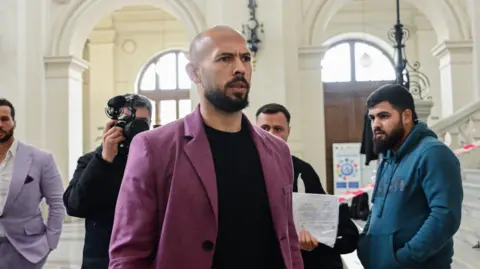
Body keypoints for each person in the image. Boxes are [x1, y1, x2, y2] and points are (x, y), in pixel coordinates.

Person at [108, 26, 303, 269]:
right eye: (225, 58)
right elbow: (129, 253)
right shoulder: (155, 147)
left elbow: (288, 239)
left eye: (245, 58)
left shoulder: (277, 151)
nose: (240, 68)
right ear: (194, 72)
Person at [357, 84, 463, 269]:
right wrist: (365, 245)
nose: (376, 125)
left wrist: (404, 259)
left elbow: (445, 216)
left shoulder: (433, 153)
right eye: (372, 118)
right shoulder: (387, 159)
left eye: (384, 116)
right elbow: (376, 208)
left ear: (406, 116)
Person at [255, 103, 359, 269]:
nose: (271, 134)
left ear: (288, 131)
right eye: (265, 128)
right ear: (255, 131)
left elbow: (325, 219)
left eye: (278, 129)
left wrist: (314, 240)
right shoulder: (245, 168)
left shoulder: (303, 170)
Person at [63, 94, 152, 269]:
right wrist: (103, 160)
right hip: (101, 258)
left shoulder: (158, 159)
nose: (136, 128)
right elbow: (75, 206)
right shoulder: (90, 161)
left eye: (142, 123)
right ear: (115, 124)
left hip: (146, 257)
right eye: (129, 121)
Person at [0, 98, 65, 269]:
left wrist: (50, 242)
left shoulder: (40, 159)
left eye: (5, 119)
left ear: (14, 122)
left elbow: (57, 203)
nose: (0, 124)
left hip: (24, 249)